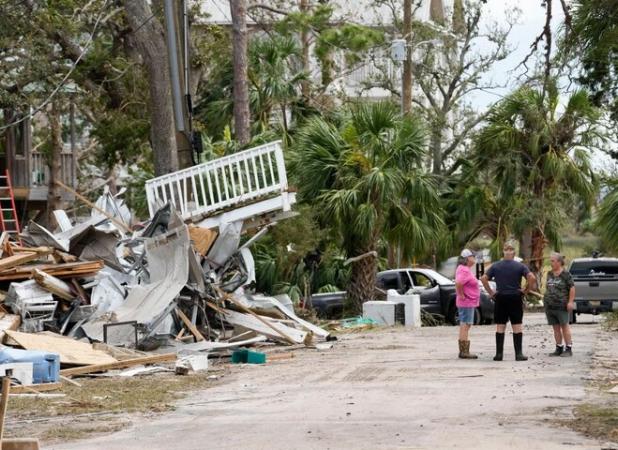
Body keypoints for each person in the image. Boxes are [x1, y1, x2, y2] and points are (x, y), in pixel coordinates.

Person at [481, 241, 537, 361]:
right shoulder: (520, 266)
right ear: (514, 253)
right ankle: (518, 354)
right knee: (517, 325)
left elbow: (483, 278)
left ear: (504, 252)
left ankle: (499, 354)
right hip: (515, 297)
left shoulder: (496, 266)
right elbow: (532, 277)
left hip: (500, 297)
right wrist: (525, 291)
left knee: (500, 326)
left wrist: (491, 293)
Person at [544, 252, 575, 357]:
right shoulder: (549, 274)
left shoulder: (566, 274)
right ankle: (559, 347)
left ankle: (569, 348)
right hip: (550, 306)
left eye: (552, 261)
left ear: (559, 262)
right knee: (555, 328)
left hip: (562, 305)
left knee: (564, 326)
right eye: (551, 261)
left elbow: (572, 288)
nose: (551, 263)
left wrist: (570, 302)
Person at [455, 249, 480, 359]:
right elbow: (459, 283)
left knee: (465, 324)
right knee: (465, 325)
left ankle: (463, 351)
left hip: (468, 302)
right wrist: (461, 294)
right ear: (467, 258)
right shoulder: (464, 270)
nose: (474, 257)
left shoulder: (465, 269)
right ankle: (464, 352)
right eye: (472, 256)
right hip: (466, 302)